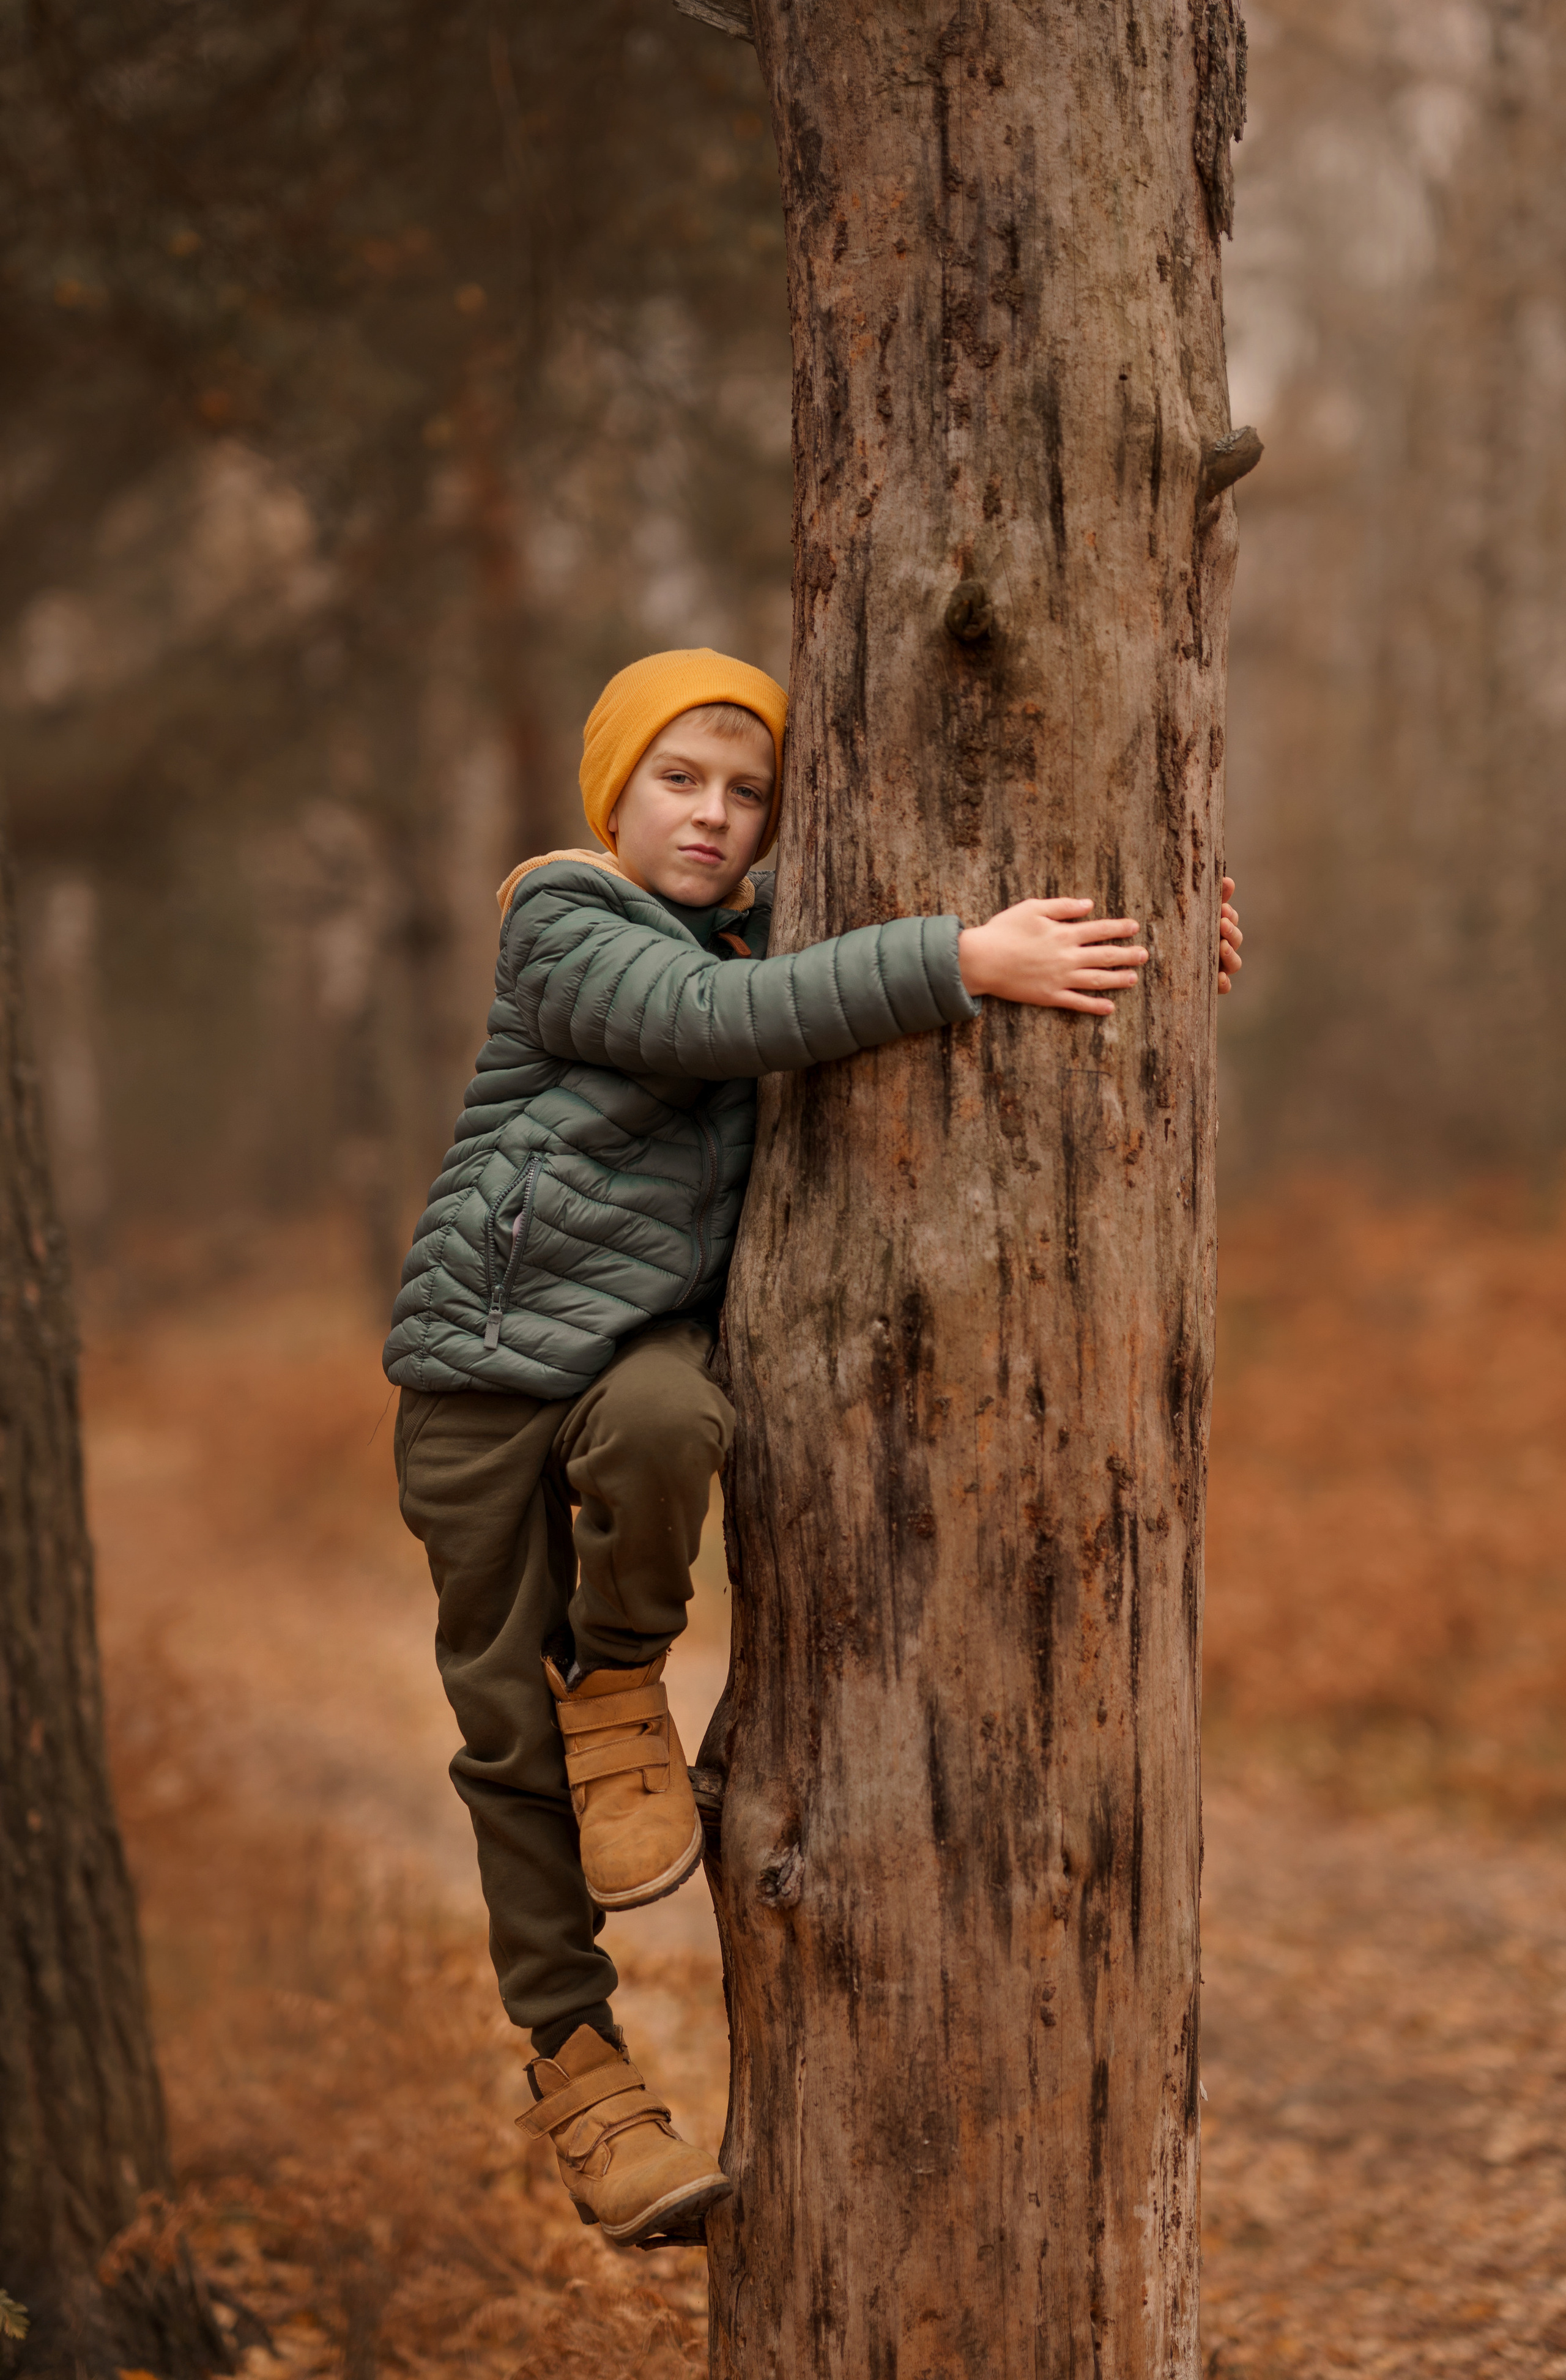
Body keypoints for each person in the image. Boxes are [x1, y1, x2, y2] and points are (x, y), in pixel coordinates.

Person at [384, 647, 1243, 2246]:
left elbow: (838, 965)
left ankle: (625, 1678)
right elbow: (725, 1017)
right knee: (504, 1738)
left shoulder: (761, 924)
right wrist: (961, 959)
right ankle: (585, 2080)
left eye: (748, 791)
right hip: (481, 1382)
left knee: (671, 1418)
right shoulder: (565, 925)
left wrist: (1166, 929)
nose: (714, 817)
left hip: (626, 1362)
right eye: (680, 779)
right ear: (615, 793)